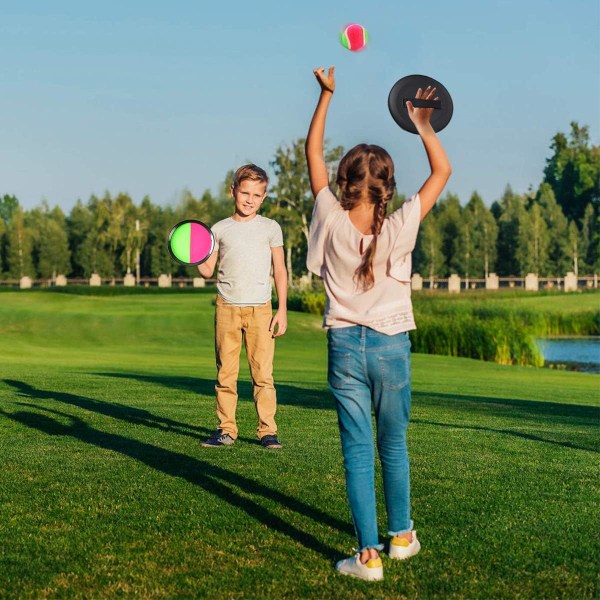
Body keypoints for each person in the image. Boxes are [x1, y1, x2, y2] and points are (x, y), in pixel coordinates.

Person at [305, 66, 451, 580]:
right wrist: (424, 125)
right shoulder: (403, 222)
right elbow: (442, 174)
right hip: (392, 347)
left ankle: (366, 556)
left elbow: (313, 159)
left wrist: (326, 96)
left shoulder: (328, 213)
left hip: (345, 344)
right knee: (393, 444)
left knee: (357, 451)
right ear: (388, 185)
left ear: (345, 183)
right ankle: (402, 537)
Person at [198, 164, 288, 449]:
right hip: (227, 308)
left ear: (264, 197)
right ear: (233, 191)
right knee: (226, 374)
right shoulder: (219, 229)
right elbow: (206, 270)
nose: (250, 199)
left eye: (257, 195)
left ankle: (267, 431)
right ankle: (226, 429)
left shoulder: (271, 228)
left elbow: (281, 270)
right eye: (244, 192)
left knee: (263, 374)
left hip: (261, 310)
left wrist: (282, 309)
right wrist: (195, 254)